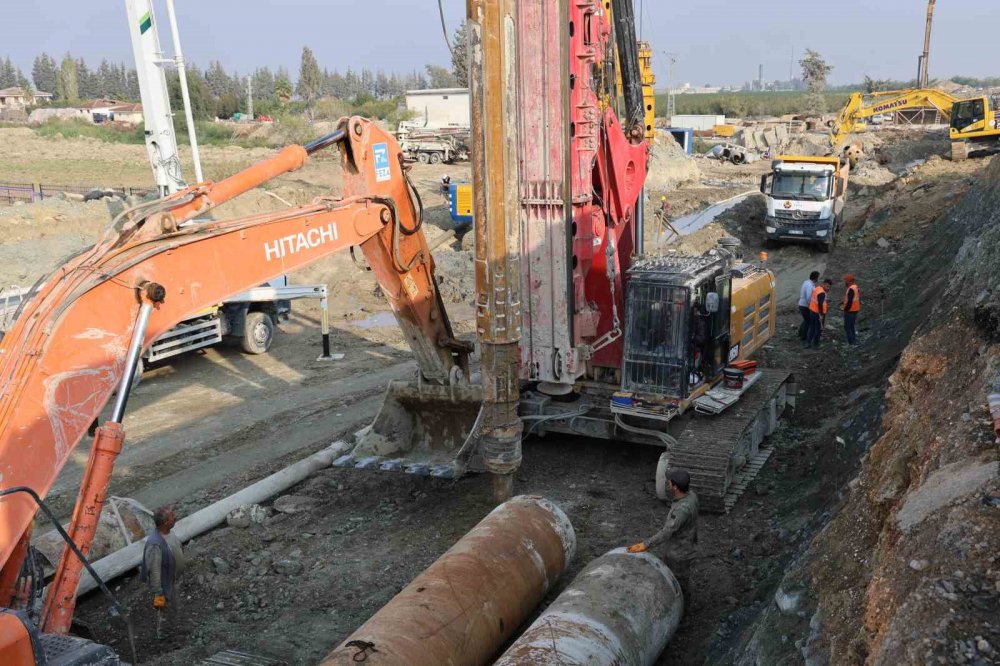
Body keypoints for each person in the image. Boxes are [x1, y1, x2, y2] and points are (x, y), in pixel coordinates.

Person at [627, 469, 699, 596]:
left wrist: (645, 545)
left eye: (670, 482)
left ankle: (681, 604)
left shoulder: (682, 510)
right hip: (686, 543)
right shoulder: (691, 495)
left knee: (677, 583)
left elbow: (667, 532)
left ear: (675, 487)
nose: (668, 483)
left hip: (679, 553)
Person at [140, 506, 186, 636]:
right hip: (164, 586)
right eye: (172, 516)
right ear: (166, 522)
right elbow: (154, 571)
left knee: (174, 606)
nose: (175, 517)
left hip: (173, 579)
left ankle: (175, 629)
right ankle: (165, 636)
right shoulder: (155, 544)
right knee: (165, 610)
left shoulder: (169, 533)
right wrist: (159, 594)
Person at [805, 279, 832, 348]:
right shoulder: (822, 293)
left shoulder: (817, 288)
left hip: (812, 311)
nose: (828, 288)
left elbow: (817, 299)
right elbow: (820, 304)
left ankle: (808, 343)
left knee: (812, 328)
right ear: (824, 284)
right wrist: (821, 315)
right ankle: (816, 345)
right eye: (827, 286)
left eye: (829, 287)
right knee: (818, 329)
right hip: (818, 313)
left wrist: (825, 300)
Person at [798, 271, 820, 340]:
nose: (818, 279)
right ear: (816, 278)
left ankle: (800, 333)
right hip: (805, 306)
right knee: (808, 321)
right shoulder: (810, 285)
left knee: (806, 319)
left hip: (802, 304)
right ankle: (804, 336)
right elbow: (808, 297)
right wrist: (811, 306)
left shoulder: (807, 282)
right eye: (818, 278)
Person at [841, 274, 861, 345]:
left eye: (845, 281)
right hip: (855, 310)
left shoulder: (851, 289)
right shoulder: (855, 287)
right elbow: (853, 298)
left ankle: (851, 342)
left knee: (847, 327)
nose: (845, 282)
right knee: (851, 325)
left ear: (849, 281)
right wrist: (843, 302)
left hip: (850, 311)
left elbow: (850, 301)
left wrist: (845, 309)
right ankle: (854, 340)